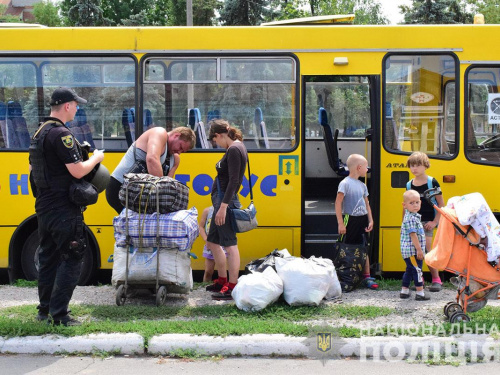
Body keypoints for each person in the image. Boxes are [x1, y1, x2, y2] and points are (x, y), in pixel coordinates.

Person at [29, 87, 105, 326]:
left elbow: (32, 170)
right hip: (64, 209)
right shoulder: (62, 134)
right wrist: (96, 158)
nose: (77, 108)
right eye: (76, 104)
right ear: (67, 106)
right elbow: (77, 170)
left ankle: (44, 311)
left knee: (49, 258)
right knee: (73, 257)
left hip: (44, 207)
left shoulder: (39, 133)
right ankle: (60, 315)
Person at [106, 126, 195, 214]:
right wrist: (162, 192)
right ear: (176, 135)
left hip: (137, 193)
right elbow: (152, 159)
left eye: (182, 151)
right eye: (180, 147)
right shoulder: (159, 133)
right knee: (136, 224)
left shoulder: (175, 159)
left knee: (145, 225)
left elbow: (169, 184)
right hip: (120, 187)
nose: (179, 152)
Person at [205, 119, 248, 301]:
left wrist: (223, 206)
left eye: (215, 141)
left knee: (230, 244)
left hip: (225, 203)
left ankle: (232, 285)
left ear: (219, 135)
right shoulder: (234, 149)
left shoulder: (234, 150)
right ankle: (222, 280)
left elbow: (234, 181)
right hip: (220, 202)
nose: (217, 144)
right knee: (213, 241)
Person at [335, 154, 378, 290]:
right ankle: (345, 273)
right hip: (350, 219)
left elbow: (367, 204)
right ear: (359, 168)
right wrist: (341, 223)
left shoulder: (362, 185)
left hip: (362, 219)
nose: (367, 169)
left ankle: (366, 276)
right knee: (346, 246)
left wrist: (370, 220)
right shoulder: (345, 183)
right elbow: (338, 203)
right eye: (366, 167)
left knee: (363, 247)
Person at [406, 151, 445, 292]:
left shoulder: (432, 182)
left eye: (417, 165)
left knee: (427, 251)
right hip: (414, 223)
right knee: (415, 251)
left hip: (428, 222)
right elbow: (406, 206)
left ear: (425, 166)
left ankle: (436, 279)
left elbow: (441, 204)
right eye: (411, 165)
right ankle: (419, 280)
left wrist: (435, 222)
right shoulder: (409, 185)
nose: (414, 168)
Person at [400, 190, 430, 301]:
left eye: (417, 202)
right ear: (404, 205)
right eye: (411, 203)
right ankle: (420, 293)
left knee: (409, 270)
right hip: (413, 251)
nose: (415, 205)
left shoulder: (412, 216)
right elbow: (413, 235)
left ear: (420, 202)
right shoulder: (411, 218)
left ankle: (404, 290)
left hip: (410, 251)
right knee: (417, 271)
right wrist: (419, 250)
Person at [199, 206, 227, 282]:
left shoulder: (228, 209)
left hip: (224, 244)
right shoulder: (207, 211)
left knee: (222, 271)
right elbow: (201, 227)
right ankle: (205, 287)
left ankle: (223, 286)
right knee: (208, 271)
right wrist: (206, 239)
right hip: (210, 243)